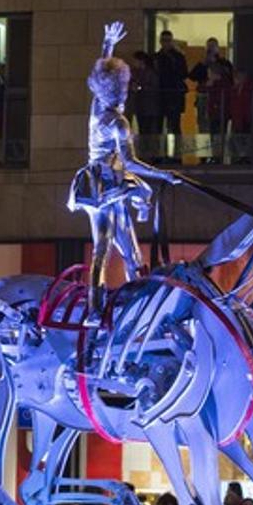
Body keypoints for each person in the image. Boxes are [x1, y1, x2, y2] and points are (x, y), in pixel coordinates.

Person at [67, 21, 179, 322]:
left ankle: (121, 305)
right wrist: (164, 175)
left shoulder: (96, 108)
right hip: (109, 186)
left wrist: (107, 45)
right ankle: (105, 308)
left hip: (100, 185)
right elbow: (130, 162)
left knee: (118, 249)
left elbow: (99, 74)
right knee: (112, 249)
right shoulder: (119, 123)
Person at [152, 29, 188, 157]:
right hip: (160, 96)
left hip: (173, 95)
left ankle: (177, 155)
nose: (165, 43)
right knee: (158, 126)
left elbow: (184, 73)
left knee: (174, 126)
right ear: (160, 42)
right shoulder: (156, 57)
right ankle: (158, 155)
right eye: (163, 41)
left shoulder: (178, 57)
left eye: (168, 41)